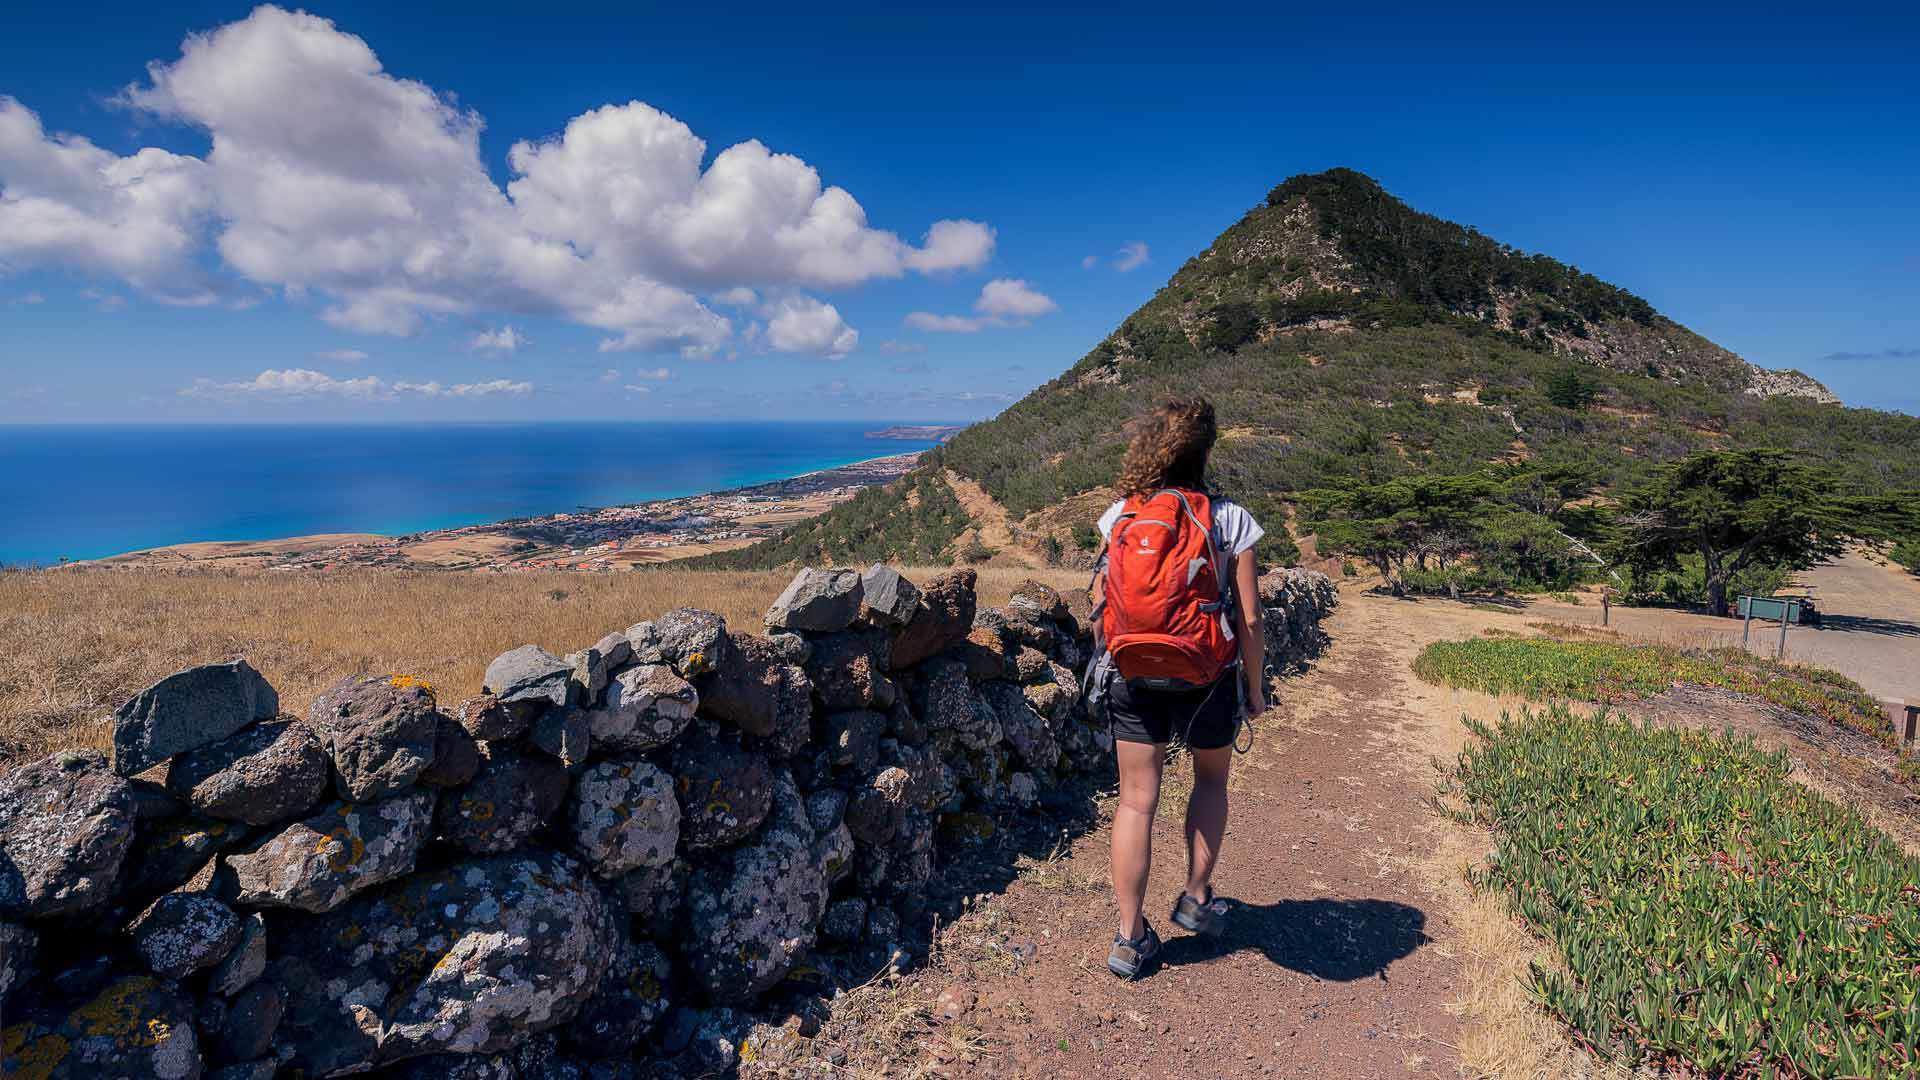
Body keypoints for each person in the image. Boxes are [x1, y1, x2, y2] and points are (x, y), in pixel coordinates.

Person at [1092, 397, 1267, 979]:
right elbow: (1250, 620)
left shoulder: (1120, 515)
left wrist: (1110, 659)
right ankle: (1195, 896)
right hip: (1207, 676)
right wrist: (1256, 688)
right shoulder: (1229, 519)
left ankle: (1127, 936)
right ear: (1204, 451)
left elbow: (1100, 603)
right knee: (1211, 780)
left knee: (1136, 800)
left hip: (1133, 673)